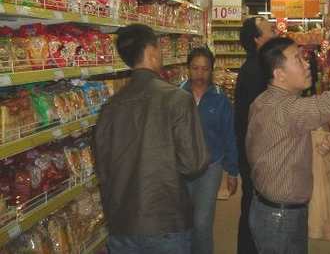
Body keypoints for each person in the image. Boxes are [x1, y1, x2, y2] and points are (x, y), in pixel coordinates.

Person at [246, 22, 330, 254]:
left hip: (266, 208)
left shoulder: (263, 101)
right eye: (298, 59)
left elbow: (277, 140)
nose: (307, 64)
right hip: (281, 218)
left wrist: (311, 140)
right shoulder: (288, 108)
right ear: (279, 74)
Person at [93, 24, 209, 254]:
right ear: (151, 52)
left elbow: (103, 168)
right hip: (166, 219)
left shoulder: (110, 107)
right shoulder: (177, 99)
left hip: (122, 222)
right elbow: (193, 163)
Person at [181, 47, 239, 254]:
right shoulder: (176, 96)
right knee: (184, 221)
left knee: (202, 222)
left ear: (211, 70)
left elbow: (229, 135)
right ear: (188, 69)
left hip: (211, 166)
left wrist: (232, 171)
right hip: (182, 167)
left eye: (205, 69)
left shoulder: (220, 99)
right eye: (195, 68)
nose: (200, 73)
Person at [234, 16, 275, 254]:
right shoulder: (255, 70)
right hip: (255, 153)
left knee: (252, 202)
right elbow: (256, 119)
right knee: (253, 204)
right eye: (269, 29)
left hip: (253, 151)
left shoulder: (257, 66)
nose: (273, 31)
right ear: (258, 39)